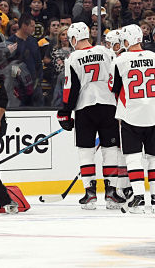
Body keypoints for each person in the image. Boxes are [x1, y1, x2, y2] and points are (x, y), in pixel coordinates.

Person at [57, 22, 125, 210]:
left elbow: (71, 88)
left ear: (73, 39)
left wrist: (65, 113)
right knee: (110, 149)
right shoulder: (107, 52)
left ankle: (90, 194)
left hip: (84, 108)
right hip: (108, 105)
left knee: (85, 151)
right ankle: (111, 194)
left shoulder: (72, 58)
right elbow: (117, 80)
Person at [111, 24, 155, 213]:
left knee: (133, 158)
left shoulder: (120, 60)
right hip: (154, 113)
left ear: (127, 41)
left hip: (130, 115)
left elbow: (115, 89)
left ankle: (138, 198)